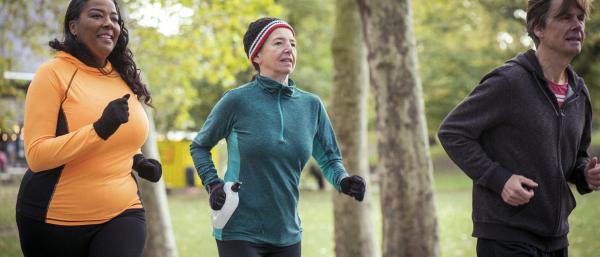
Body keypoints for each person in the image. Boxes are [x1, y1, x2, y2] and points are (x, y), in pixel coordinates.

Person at [190, 17, 366, 257]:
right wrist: (213, 183)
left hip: (287, 232)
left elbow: (329, 159)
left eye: (292, 44)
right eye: (278, 43)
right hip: (239, 229)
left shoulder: (311, 105)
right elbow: (200, 146)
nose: (288, 49)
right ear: (257, 56)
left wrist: (344, 181)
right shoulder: (236, 101)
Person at [438, 0, 598, 256]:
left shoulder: (578, 93)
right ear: (538, 28)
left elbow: (577, 156)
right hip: (506, 236)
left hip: (557, 239)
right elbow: (452, 132)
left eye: (580, 17)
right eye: (565, 17)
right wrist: (499, 179)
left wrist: (585, 175)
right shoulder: (509, 82)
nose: (577, 25)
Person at [16, 0, 162, 256]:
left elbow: (123, 138)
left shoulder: (122, 76)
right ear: (73, 26)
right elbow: (37, 156)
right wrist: (99, 129)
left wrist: (138, 160)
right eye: (97, 15)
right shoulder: (52, 74)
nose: (109, 23)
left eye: (115, 18)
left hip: (122, 211)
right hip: (53, 222)